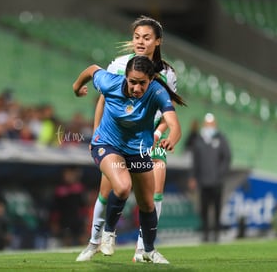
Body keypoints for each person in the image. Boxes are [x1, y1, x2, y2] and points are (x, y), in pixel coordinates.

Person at [76, 15, 179, 262]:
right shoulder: (120, 65)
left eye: (146, 37)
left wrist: (159, 133)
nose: (141, 42)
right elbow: (104, 98)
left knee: (154, 191)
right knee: (111, 187)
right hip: (116, 134)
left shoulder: (167, 74)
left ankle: (144, 250)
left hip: (149, 136)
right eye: (137, 37)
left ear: (158, 41)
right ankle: (95, 241)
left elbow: (169, 114)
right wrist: (96, 130)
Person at [188, 113, 231, 242]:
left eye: (211, 125)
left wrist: (220, 174)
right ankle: (206, 233)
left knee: (217, 207)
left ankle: (216, 232)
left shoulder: (221, 139)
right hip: (203, 180)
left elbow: (227, 157)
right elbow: (195, 161)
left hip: (217, 181)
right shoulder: (199, 141)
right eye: (207, 124)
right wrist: (193, 177)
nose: (209, 127)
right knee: (204, 208)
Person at [49, 166, 88, 246]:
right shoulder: (59, 189)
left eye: (72, 174)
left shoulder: (79, 188)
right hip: (64, 220)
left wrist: (85, 220)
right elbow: (55, 208)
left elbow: (83, 206)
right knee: (67, 239)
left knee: (82, 238)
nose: (70, 176)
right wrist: (54, 222)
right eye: (68, 174)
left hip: (77, 219)